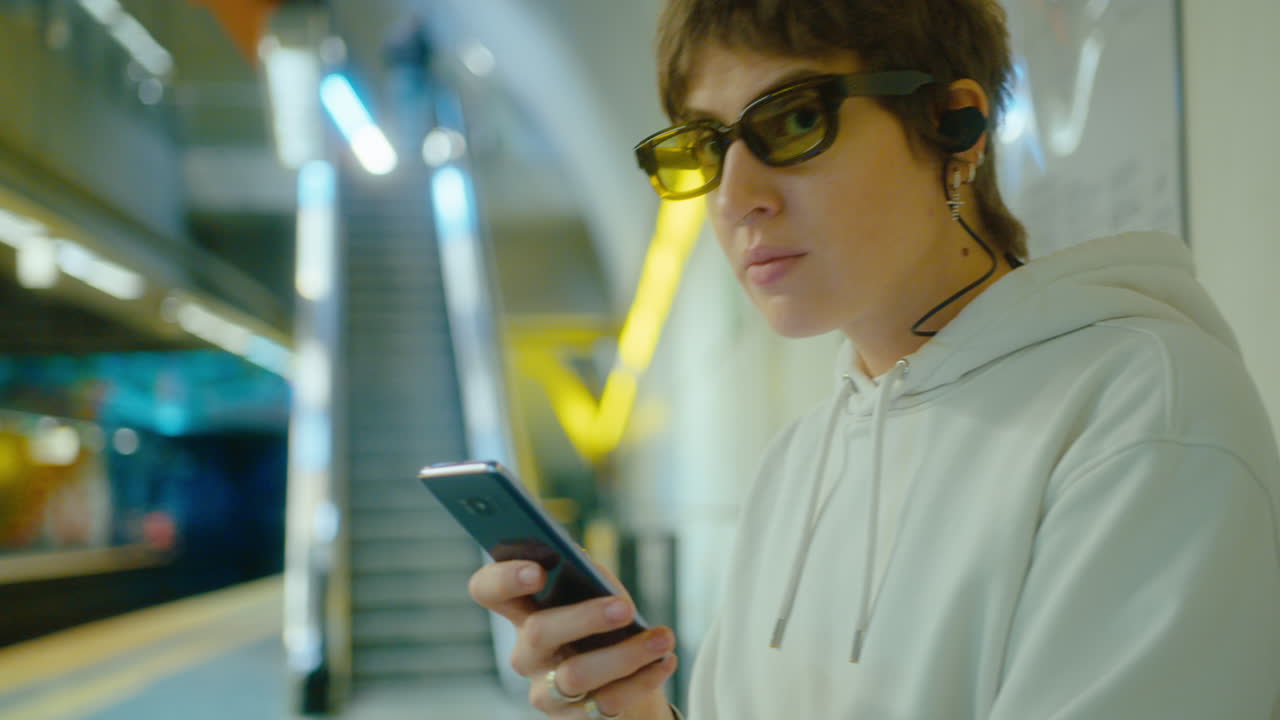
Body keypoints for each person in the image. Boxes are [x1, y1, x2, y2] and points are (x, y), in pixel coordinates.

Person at [469, 0, 1280, 718]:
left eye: (791, 122)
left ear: (951, 126)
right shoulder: (799, 460)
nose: (734, 194)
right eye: (705, 146)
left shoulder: (1146, 415)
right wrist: (636, 712)